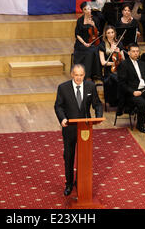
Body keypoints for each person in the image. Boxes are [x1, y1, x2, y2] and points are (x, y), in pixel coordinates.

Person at [54, 64, 103, 196]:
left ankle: (81, 182)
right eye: (76, 75)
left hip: (85, 129)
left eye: (81, 75)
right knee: (68, 157)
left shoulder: (90, 86)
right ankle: (69, 184)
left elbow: (97, 104)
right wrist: (62, 118)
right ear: (72, 74)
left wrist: (98, 117)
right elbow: (58, 106)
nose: (79, 78)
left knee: (84, 157)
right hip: (69, 128)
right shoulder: (63, 88)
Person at [117, 43, 145, 132]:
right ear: (128, 53)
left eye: (137, 51)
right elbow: (122, 84)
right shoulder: (124, 64)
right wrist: (133, 92)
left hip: (143, 90)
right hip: (131, 93)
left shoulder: (142, 64)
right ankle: (140, 125)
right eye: (133, 51)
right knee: (142, 103)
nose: (136, 53)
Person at [73, 1, 102, 79]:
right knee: (90, 51)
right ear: (83, 10)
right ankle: (87, 75)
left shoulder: (95, 19)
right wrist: (84, 43)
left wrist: (94, 25)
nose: (89, 10)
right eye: (87, 9)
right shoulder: (80, 20)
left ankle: (95, 74)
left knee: (96, 49)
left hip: (92, 41)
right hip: (81, 42)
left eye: (90, 8)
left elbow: (98, 33)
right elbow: (77, 34)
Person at [99, 25, 125, 108]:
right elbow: (103, 62)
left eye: (112, 32)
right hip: (108, 71)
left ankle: (122, 101)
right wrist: (113, 63)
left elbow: (123, 59)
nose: (111, 35)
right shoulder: (102, 45)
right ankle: (114, 101)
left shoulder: (119, 43)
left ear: (115, 33)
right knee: (114, 79)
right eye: (108, 33)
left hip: (119, 69)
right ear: (105, 34)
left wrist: (119, 52)